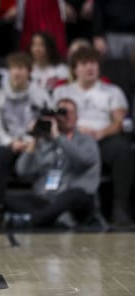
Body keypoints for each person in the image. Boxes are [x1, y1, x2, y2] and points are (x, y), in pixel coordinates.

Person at [53, 47, 134, 226]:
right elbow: (55, 120)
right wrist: (77, 129)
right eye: (84, 64)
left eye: (93, 63)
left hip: (102, 138)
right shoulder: (62, 92)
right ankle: (57, 206)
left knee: (123, 150)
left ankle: (120, 208)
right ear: (75, 69)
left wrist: (101, 132)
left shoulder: (113, 91)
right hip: (73, 139)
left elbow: (120, 122)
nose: (90, 67)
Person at [3, 98, 101, 229]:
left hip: (75, 199)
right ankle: (55, 219)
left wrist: (58, 138)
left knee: (74, 196)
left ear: (76, 117)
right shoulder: (44, 142)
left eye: (69, 113)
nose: (66, 117)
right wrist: (34, 139)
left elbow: (83, 161)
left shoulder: (86, 140)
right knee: (8, 197)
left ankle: (34, 220)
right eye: (62, 113)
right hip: (47, 198)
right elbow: (22, 171)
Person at [0, 51, 52, 201]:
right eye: (14, 68)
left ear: (29, 72)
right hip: (9, 144)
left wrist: (32, 140)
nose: (17, 72)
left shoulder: (41, 95)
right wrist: (11, 143)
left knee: (51, 152)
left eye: (22, 68)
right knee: (0, 155)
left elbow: (48, 120)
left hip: (35, 143)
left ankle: (47, 198)